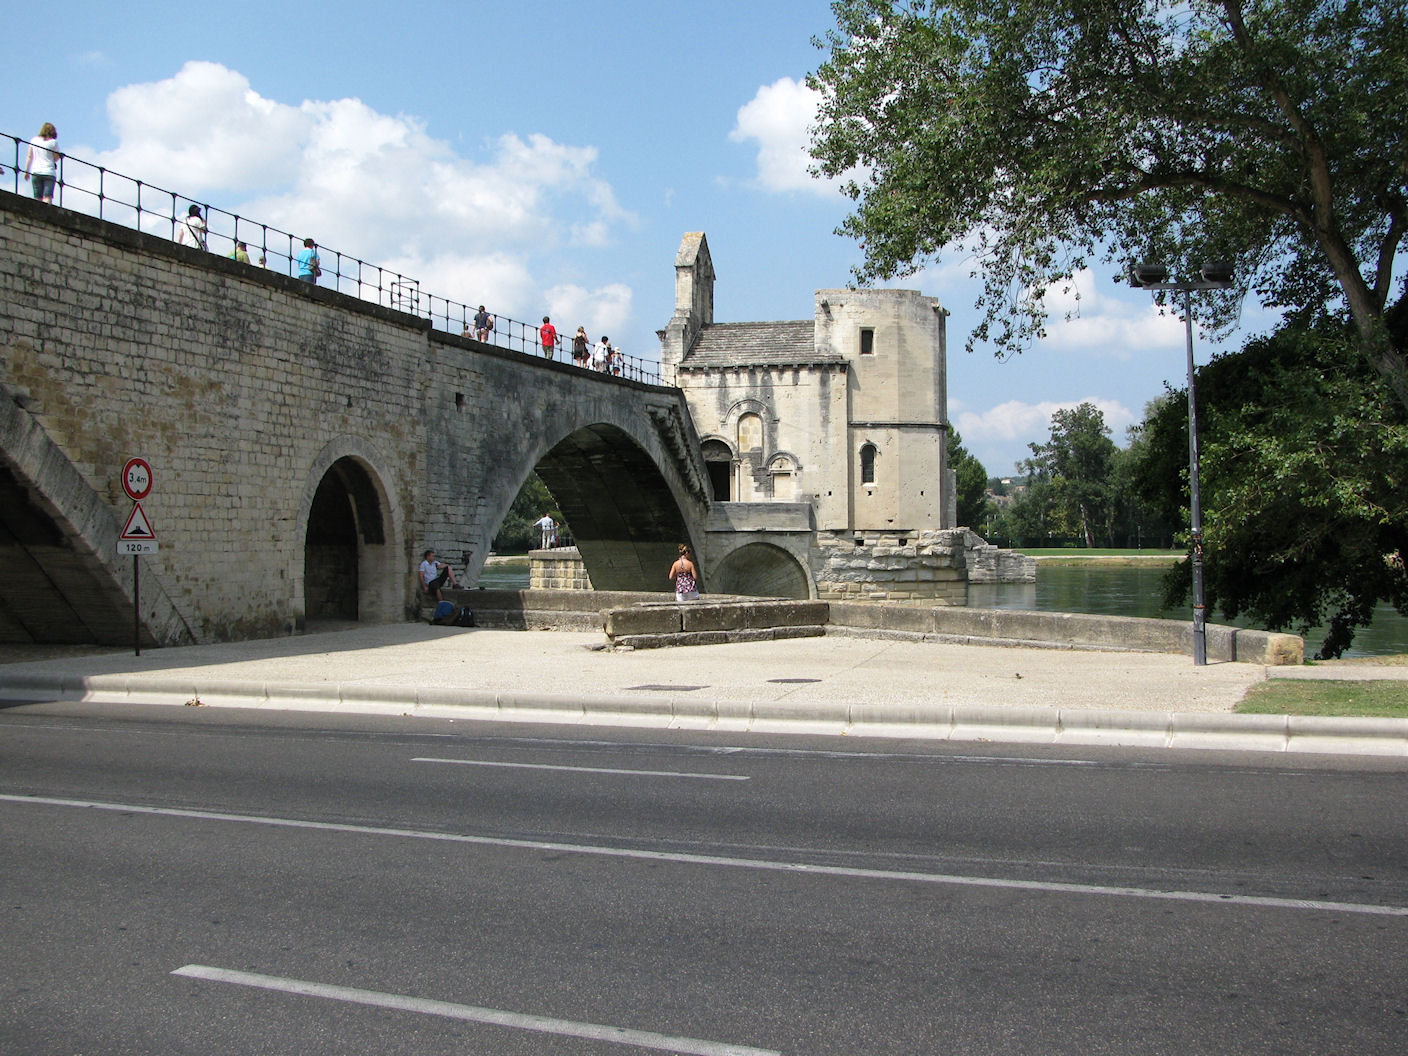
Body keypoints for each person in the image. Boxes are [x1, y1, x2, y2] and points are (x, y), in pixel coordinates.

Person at [23, 123, 59, 203]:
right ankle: (47, 210)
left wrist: (26, 171)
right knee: (47, 196)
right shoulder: (53, 142)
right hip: (49, 171)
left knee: (37, 197)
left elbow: (29, 156)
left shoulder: (34, 140)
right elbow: (56, 158)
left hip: (36, 171)